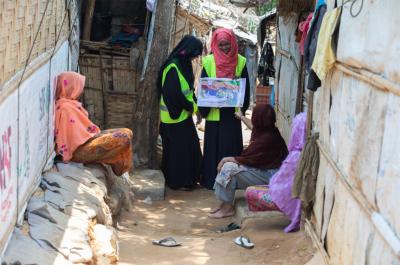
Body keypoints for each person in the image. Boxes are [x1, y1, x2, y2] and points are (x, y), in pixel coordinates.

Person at [209, 104, 288, 218]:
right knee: (230, 166)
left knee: (229, 169)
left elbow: (247, 160)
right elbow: (252, 127)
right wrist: (241, 117)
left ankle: (228, 208)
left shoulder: (266, 139)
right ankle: (224, 203)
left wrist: (225, 159)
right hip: (270, 172)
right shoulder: (268, 130)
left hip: (271, 176)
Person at [199, 28, 251, 189]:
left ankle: (230, 181)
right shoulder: (208, 61)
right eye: (221, 45)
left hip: (231, 113)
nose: (224, 48)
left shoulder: (240, 61)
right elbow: (203, 86)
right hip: (214, 112)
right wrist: (205, 107)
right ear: (215, 44)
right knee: (213, 147)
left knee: (230, 146)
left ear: (233, 43)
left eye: (227, 45)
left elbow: (246, 86)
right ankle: (211, 181)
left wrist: (241, 105)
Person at [55, 71, 133, 176]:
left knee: (127, 132)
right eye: (79, 86)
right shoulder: (65, 108)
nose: (81, 91)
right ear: (71, 87)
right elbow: (70, 141)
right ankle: (118, 166)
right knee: (123, 138)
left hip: (85, 142)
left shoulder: (69, 104)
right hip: (78, 151)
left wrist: (96, 136)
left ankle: (117, 163)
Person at [245, 112, 306, 232]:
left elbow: (280, 182)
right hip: (288, 191)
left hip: (287, 196)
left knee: (250, 192)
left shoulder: (295, 156)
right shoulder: (301, 152)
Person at [157, 35, 203, 190]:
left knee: (188, 149)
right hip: (173, 117)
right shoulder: (172, 67)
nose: (196, 57)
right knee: (179, 153)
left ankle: (186, 180)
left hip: (183, 116)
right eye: (195, 54)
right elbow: (173, 94)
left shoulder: (184, 64)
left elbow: (188, 89)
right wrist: (190, 106)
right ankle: (178, 182)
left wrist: (195, 107)